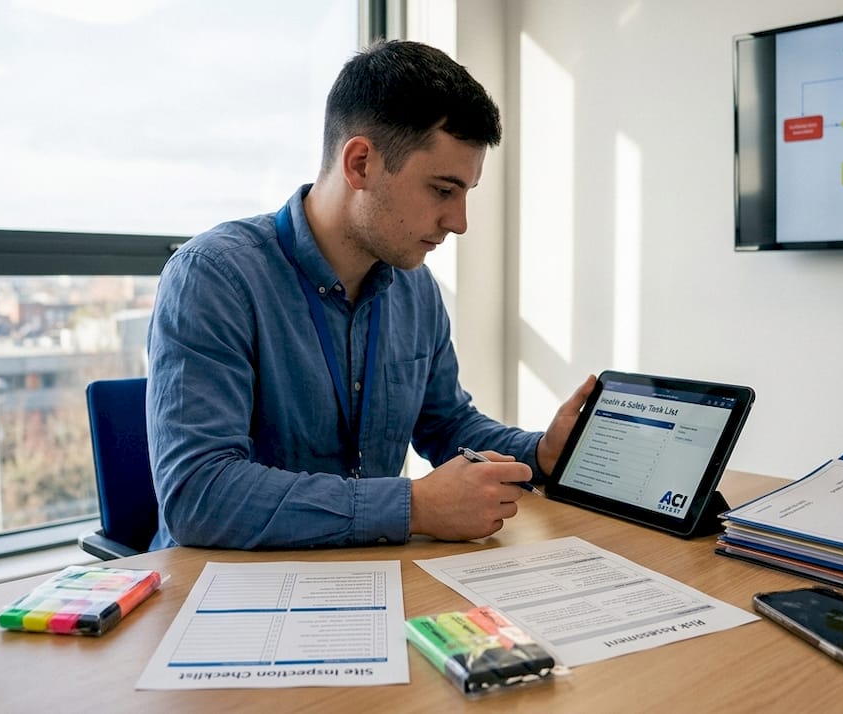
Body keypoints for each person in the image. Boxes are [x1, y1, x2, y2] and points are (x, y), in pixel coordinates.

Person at [146, 39, 594, 550]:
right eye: (443, 190)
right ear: (360, 163)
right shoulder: (214, 277)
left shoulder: (415, 288)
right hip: (229, 586)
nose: (459, 222)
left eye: (466, 194)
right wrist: (414, 506)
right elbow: (198, 495)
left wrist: (540, 453)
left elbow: (447, 425)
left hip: (370, 576)